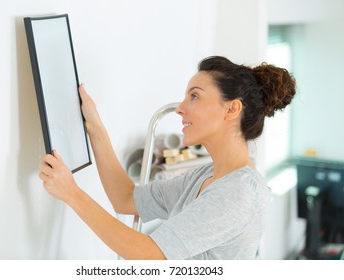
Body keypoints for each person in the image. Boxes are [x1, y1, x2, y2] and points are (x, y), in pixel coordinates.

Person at [39, 56, 296, 260]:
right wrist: (94, 126)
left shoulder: (239, 194)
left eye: (194, 96)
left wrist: (72, 193)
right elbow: (126, 199)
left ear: (232, 109)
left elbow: (147, 254)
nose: (180, 108)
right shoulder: (206, 176)